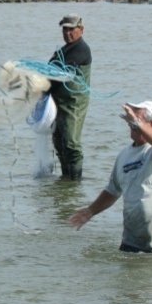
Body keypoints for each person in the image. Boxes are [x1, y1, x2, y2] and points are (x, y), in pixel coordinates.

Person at [68, 101, 152, 253]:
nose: (131, 122)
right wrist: (90, 211)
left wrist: (138, 123)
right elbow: (112, 191)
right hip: (134, 235)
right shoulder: (124, 155)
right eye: (131, 120)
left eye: (137, 119)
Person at [48, 14, 92, 181]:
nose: (67, 33)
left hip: (74, 102)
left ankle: (75, 182)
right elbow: (49, 70)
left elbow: (61, 72)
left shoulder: (81, 49)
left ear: (81, 29)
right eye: (65, 29)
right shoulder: (62, 50)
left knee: (71, 143)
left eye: (71, 29)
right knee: (59, 142)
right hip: (58, 102)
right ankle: (65, 180)